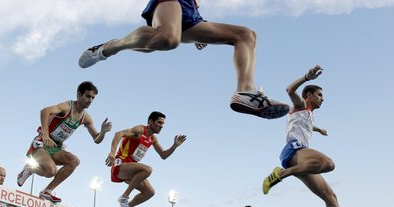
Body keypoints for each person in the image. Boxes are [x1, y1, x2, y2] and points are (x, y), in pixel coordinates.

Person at [78, 0, 289, 119]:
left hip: (191, 11)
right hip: (170, 2)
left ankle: (246, 91)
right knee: (168, 39)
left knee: (246, 35)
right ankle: (110, 47)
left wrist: (200, 28)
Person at [261, 65, 374, 207]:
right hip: (294, 150)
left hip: (301, 157)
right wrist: (306, 77)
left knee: (330, 197)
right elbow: (289, 89)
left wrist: (319, 130)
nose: (323, 99)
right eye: (320, 95)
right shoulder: (299, 105)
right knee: (328, 164)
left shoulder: (310, 116)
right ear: (309, 95)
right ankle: (281, 174)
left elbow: (308, 126)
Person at [17, 81, 112, 203]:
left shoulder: (86, 118)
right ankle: (30, 169)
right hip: (42, 143)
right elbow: (44, 111)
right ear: (79, 94)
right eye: (87, 96)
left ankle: (47, 191)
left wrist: (103, 132)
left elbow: (96, 139)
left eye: (93, 98)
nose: (90, 100)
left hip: (56, 147)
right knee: (51, 172)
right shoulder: (67, 106)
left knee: (74, 161)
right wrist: (46, 135)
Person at [106, 111, 186, 207]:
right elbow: (119, 133)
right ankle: (124, 197)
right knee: (147, 169)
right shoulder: (139, 130)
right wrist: (112, 153)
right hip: (120, 165)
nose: (161, 126)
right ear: (150, 122)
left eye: (163, 124)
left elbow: (163, 155)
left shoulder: (153, 139)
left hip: (133, 170)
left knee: (149, 192)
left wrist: (175, 146)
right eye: (159, 122)